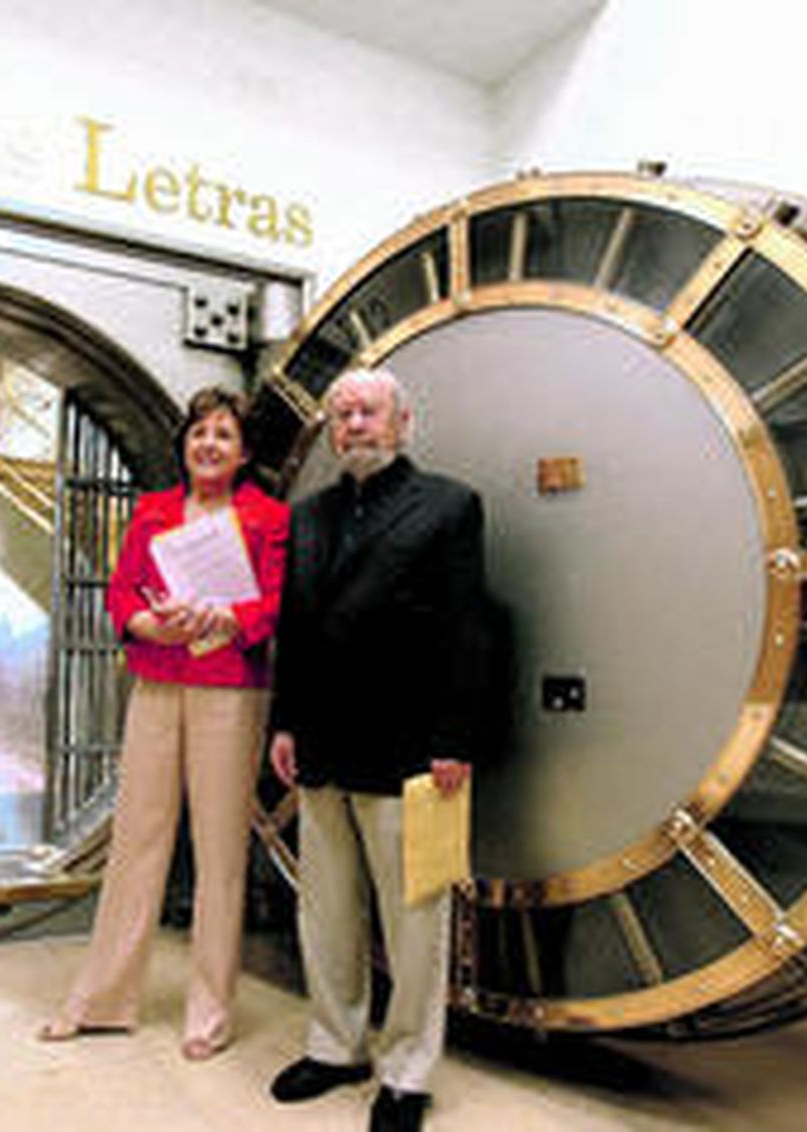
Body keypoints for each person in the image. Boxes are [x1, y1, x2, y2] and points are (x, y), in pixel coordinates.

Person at [40, 386, 288, 1061]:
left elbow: (274, 601)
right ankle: (101, 1000)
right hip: (156, 680)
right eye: (199, 432)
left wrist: (234, 619)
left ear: (244, 453)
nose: (208, 444)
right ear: (184, 443)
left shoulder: (268, 517)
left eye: (223, 435)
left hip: (230, 691)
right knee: (136, 841)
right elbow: (122, 589)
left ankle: (209, 1012)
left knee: (219, 853)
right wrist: (143, 622)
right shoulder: (152, 511)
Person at [266, 368, 485, 1132]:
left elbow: (466, 630)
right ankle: (335, 1047)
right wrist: (284, 724)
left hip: (410, 750)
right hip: (322, 744)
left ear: (403, 422)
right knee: (324, 910)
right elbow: (294, 629)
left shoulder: (450, 506)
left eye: (368, 412)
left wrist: (454, 739)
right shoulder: (311, 514)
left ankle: (407, 1071)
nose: (354, 424)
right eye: (342, 414)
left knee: (414, 919)